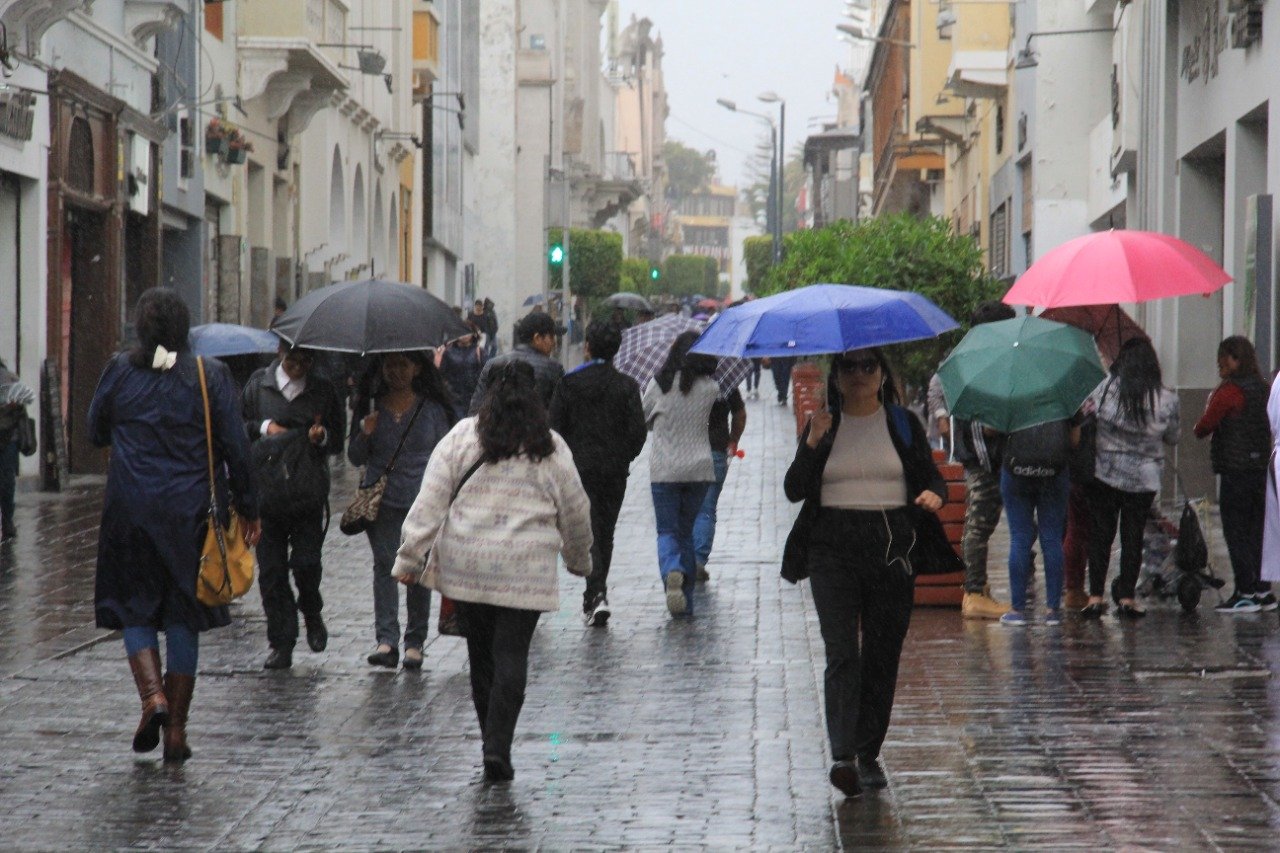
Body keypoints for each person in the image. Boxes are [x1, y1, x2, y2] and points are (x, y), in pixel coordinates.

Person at [391, 361, 592, 783]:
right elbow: (575, 509)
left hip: (469, 567)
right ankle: (498, 746)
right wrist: (579, 560)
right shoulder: (550, 445)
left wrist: (409, 558)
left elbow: (430, 501)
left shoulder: (461, 437)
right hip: (526, 570)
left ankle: (490, 743)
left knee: (480, 657)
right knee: (512, 655)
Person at [89, 288, 261, 762]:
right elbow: (236, 447)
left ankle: (152, 699)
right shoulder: (210, 375)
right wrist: (249, 507)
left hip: (130, 511)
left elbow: (93, 429)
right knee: (184, 614)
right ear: (186, 329)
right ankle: (177, 732)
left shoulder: (120, 371)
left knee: (135, 606)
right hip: (192, 518)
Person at [782, 348, 948, 798]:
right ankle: (843, 755)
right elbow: (794, 489)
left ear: (881, 374)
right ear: (835, 378)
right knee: (841, 651)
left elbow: (934, 480)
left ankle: (868, 750)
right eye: (849, 367)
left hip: (891, 546)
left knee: (882, 653)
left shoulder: (902, 424)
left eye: (867, 366)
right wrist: (812, 442)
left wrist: (935, 496)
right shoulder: (824, 426)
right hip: (831, 547)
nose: (859, 375)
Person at [242, 342, 345, 669]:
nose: (299, 365)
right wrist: (264, 428)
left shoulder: (323, 389)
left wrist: (321, 435)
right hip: (267, 496)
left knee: (306, 563)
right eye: (292, 359)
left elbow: (337, 439)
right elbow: (238, 428)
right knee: (271, 573)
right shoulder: (259, 386)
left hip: (306, 494)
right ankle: (282, 642)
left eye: (306, 360)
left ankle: (311, 610)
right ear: (279, 353)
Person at [349, 352, 455, 669]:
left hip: (423, 501)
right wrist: (365, 432)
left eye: (403, 365)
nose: (396, 372)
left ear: (417, 368)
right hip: (381, 501)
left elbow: (449, 455)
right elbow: (354, 457)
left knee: (417, 569)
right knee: (385, 566)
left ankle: (415, 643)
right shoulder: (372, 407)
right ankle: (386, 641)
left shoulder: (433, 410)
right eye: (390, 365)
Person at [549, 320, 647, 627]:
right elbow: (638, 433)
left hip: (579, 470)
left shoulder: (569, 384)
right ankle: (596, 592)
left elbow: (555, 428)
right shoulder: (627, 386)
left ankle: (596, 593)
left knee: (589, 529)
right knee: (605, 530)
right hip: (614, 471)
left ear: (587, 347)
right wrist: (623, 456)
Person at [1083, 338, 1179, 619]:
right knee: (1133, 535)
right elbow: (1173, 437)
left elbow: (1087, 416)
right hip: (1144, 478)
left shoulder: (1104, 390)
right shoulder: (1167, 398)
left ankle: (1095, 596)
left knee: (1101, 534)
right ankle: (1126, 597)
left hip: (1105, 474)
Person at [642, 331, 720, 616]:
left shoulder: (658, 385)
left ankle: (671, 569)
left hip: (665, 470)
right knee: (686, 533)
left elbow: (644, 416)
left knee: (667, 531)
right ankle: (685, 601)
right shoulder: (710, 388)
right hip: (700, 469)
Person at [1195, 336, 1274, 612]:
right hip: (1262, 470)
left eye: (1223, 359)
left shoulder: (1229, 392)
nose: (1219, 365)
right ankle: (1263, 590)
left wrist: (1208, 409)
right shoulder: (1265, 389)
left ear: (1235, 359)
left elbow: (1203, 427)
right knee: (1258, 531)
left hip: (1236, 472)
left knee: (1236, 531)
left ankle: (1245, 591)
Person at [953, 300, 1018, 620]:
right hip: (983, 460)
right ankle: (975, 592)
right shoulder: (982, 364)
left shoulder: (975, 359)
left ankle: (977, 589)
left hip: (982, 457)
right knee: (979, 522)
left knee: (982, 523)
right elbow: (985, 427)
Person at [998, 418, 1076, 626]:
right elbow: (1074, 440)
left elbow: (991, 429)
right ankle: (1053, 611)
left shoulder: (1010, 388)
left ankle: (1017, 610)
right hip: (1054, 472)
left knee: (1019, 537)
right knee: (1051, 538)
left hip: (1016, 471)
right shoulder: (1063, 390)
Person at [693, 387, 746, 582]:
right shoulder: (724, 381)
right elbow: (740, 414)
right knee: (706, 509)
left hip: (684, 452)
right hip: (716, 451)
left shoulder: (679, 377)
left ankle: (680, 560)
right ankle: (698, 559)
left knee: (683, 508)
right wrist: (733, 439)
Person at [470, 312, 564, 413]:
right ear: (537, 338)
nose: (554, 343)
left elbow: (476, 408)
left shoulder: (492, 364)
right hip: (536, 427)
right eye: (551, 337)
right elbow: (559, 412)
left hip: (495, 427)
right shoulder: (553, 369)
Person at [0, 356, 33, 542]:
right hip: (9, 439)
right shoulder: (12, 378)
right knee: (7, 480)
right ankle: (7, 520)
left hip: (8, 438)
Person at [439, 333, 486, 422]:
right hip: (455, 397)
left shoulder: (479, 351)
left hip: (474, 397)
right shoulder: (449, 352)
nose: (464, 336)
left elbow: (486, 373)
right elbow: (442, 374)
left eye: (467, 333)